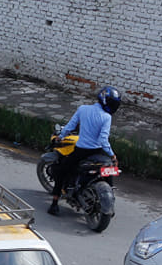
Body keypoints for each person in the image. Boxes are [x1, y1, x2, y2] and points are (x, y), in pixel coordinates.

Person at [48, 86, 121, 215]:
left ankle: (54, 204)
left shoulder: (83, 109)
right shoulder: (106, 117)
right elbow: (103, 140)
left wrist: (60, 137)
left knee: (61, 171)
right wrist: (112, 155)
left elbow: (70, 126)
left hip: (81, 151)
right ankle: (111, 204)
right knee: (108, 171)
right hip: (100, 152)